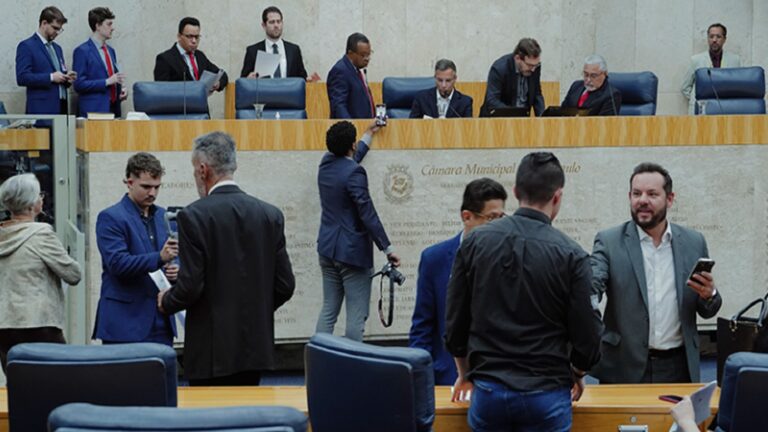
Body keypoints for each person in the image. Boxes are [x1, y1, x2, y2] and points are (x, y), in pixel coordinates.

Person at [445, 152, 602, 432]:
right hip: (547, 393)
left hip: (489, 390)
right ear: (557, 197)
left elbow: (455, 321)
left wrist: (464, 373)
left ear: (516, 192)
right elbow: (587, 334)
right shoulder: (573, 255)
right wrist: (578, 372)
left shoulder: (474, 243)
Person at [158, 131, 295, 386]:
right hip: (255, 348)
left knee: (209, 422)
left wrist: (166, 301)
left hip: (210, 351)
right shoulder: (269, 214)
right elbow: (285, 285)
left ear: (202, 170)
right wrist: (255, 312)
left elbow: (191, 286)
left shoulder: (193, 216)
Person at [591, 163, 723, 383]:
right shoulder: (609, 241)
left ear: (669, 199)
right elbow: (594, 283)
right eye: (636, 193)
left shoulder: (693, 242)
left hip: (679, 366)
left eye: (652, 194)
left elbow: (707, 310)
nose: (642, 200)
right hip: (624, 366)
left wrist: (709, 295)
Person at [408, 178, 507, 385]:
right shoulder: (434, 259)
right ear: (467, 217)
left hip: (498, 381)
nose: (499, 226)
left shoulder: (509, 257)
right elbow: (422, 326)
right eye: (491, 218)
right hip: (448, 377)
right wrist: (423, 377)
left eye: (502, 217)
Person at [315, 120, 400, 341]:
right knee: (356, 315)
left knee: (328, 310)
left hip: (326, 249)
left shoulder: (325, 164)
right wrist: (387, 247)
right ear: (351, 145)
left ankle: (318, 362)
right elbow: (367, 213)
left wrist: (368, 134)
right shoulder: (355, 173)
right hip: (351, 253)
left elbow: (350, 160)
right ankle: (352, 368)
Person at [93, 152, 178, 346]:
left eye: (157, 187)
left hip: (161, 319)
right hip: (124, 322)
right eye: (146, 187)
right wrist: (160, 258)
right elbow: (118, 264)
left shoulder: (164, 216)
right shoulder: (110, 217)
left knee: (160, 376)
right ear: (129, 183)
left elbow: (174, 255)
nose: (153, 193)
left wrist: (177, 270)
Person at [0, 173, 81, 372]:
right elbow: (73, 274)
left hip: (4, 324)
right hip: (39, 322)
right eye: (39, 195)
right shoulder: (41, 234)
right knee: (60, 380)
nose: (42, 199)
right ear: (31, 203)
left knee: (19, 384)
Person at [16, 6, 75, 114]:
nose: (57, 32)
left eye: (60, 29)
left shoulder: (57, 48)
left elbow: (59, 74)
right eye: (55, 28)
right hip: (41, 110)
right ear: (44, 23)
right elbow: (22, 77)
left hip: (61, 107)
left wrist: (66, 78)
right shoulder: (27, 46)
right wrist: (51, 77)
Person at [72, 7, 127, 118]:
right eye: (109, 24)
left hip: (113, 109)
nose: (113, 28)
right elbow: (78, 84)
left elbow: (114, 78)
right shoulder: (82, 51)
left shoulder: (111, 51)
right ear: (97, 26)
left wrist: (120, 90)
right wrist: (107, 82)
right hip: (93, 112)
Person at [240, 6, 318, 81]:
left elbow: (301, 78)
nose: (276, 25)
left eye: (278, 21)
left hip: (289, 93)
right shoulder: (253, 51)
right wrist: (248, 79)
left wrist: (308, 80)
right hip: (264, 94)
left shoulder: (294, 50)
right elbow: (243, 81)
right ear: (264, 25)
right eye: (272, 22)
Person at [153, 17, 228, 92]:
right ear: (179, 36)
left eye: (197, 37)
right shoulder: (165, 59)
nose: (194, 41)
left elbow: (222, 75)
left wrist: (218, 83)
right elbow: (161, 92)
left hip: (200, 103)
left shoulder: (200, 56)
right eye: (189, 36)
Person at [681, 23, 742, 114]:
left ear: (724, 39)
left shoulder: (734, 60)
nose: (714, 40)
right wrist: (696, 98)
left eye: (718, 37)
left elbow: (739, 86)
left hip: (725, 109)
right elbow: (685, 87)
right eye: (711, 36)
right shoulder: (696, 60)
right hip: (701, 110)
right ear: (708, 38)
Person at [479, 38, 545, 117]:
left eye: (536, 65)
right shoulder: (499, 68)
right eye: (530, 65)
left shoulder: (534, 68)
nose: (533, 69)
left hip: (523, 120)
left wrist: (542, 117)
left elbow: (537, 94)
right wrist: (514, 114)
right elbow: (492, 101)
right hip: (497, 121)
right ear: (517, 58)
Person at [327, 33, 376, 119]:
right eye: (363, 55)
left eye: (369, 54)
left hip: (365, 127)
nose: (367, 58)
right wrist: (350, 127)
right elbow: (339, 106)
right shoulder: (340, 71)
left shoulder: (357, 70)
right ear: (350, 53)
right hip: (352, 129)